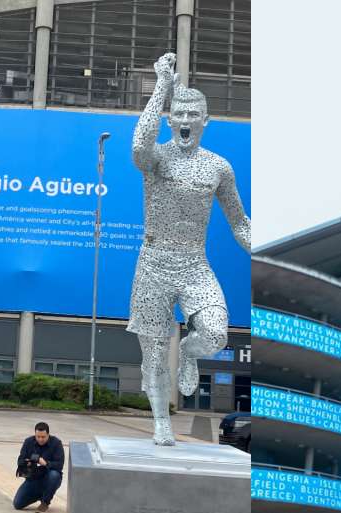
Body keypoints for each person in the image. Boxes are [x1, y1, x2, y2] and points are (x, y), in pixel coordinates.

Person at [129, 52, 251, 445]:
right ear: (170, 119)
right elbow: (138, 144)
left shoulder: (218, 167)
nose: (184, 121)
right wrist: (162, 83)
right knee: (152, 353)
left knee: (215, 332)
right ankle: (161, 421)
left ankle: (190, 351)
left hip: (194, 264)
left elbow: (239, 222)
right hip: (153, 264)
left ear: (204, 120)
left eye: (192, 115)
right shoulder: (156, 159)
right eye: (177, 115)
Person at [13, 422, 65, 513]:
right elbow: (20, 460)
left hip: (49, 478)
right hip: (33, 478)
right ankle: (40, 494)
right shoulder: (28, 442)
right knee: (17, 504)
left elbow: (59, 465)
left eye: (43, 437)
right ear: (35, 434)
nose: (40, 439)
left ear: (48, 434)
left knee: (54, 475)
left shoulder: (56, 443)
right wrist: (27, 463)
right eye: (38, 437)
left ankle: (45, 502)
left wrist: (46, 463)